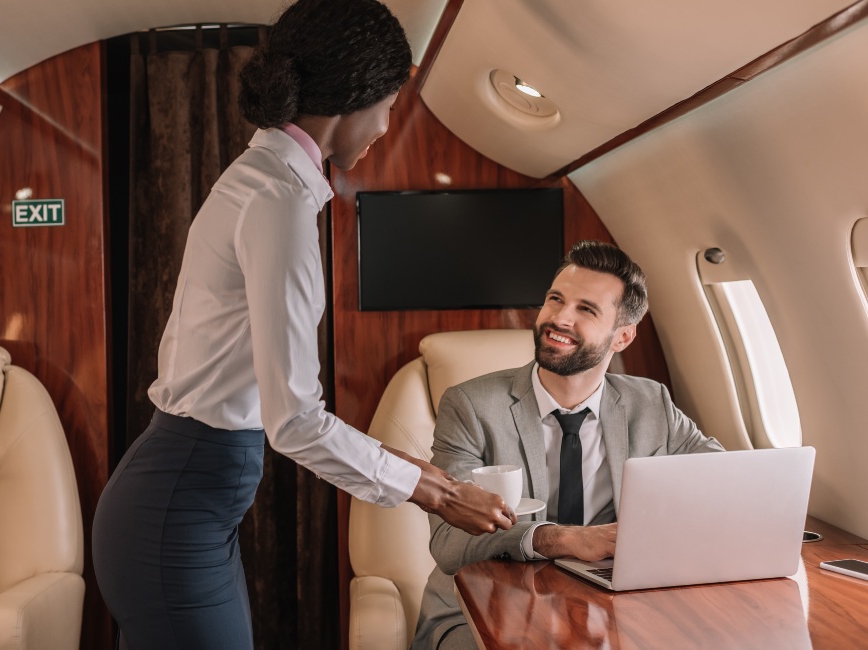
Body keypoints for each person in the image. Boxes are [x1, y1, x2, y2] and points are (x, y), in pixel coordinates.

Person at [91, 2, 515, 648]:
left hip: (189, 502)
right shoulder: (278, 201)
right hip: (177, 506)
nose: (386, 125)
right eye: (390, 103)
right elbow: (293, 421)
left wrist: (427, 479)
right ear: (356, 94)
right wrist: (433, 494)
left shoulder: (270, 183)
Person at [411, 241, 725, 650]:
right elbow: (450, 545)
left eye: (586, 310)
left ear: (623, 337)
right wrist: (563, 539)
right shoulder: (470, 405)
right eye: (555, 300)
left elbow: (719, 479)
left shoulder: (651, 403)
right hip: (483, 607)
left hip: (611, 607)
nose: (559, 318)